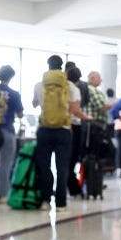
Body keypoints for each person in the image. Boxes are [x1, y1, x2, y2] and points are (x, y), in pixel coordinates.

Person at [32, 55, 90, 211]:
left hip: (44, 130)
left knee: (44, 166)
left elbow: (35, 103)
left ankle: (45, 201)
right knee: (62, 167)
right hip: (64, 130)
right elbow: (75, 110)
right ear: (62, 66)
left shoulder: (39, 85)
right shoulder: (70, 87)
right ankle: (61, 204)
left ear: (48, 65)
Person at [0, 65, 24, 203]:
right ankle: (3, 195)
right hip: (7, 131)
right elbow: (20, 114)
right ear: (11, 77)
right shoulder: (15, 94)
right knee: (6, 164)